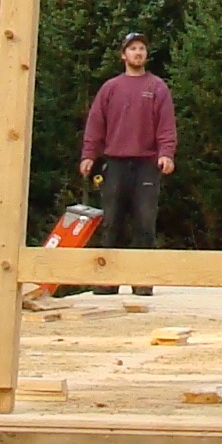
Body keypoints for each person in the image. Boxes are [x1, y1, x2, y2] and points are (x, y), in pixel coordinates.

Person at [79, 33, 176, 292]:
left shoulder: (157, 88)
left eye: (142, 48)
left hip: (147, 163)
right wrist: (89, 155)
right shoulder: (110, 88)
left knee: (145, 222)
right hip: (116, 163)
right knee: (112, 221)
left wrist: (166, 153)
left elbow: (166, 125)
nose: (138, 53)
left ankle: (141, 282)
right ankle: (107, 281)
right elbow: (96, 124)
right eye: (133, 48)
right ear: (124, 55)